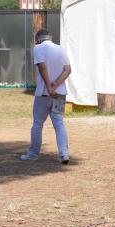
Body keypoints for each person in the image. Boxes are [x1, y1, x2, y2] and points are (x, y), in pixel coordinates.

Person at [21, 29, 72, 164]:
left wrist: (49, 87)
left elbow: (42, 67)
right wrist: (56, 84)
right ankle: (64, 154)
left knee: (37, 124)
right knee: (59, 124)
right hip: (60, 94)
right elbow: (68, 70)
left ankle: (33, 154)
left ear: (38, 39)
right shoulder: (61, 49)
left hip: (44, 94)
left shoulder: (38, 48)